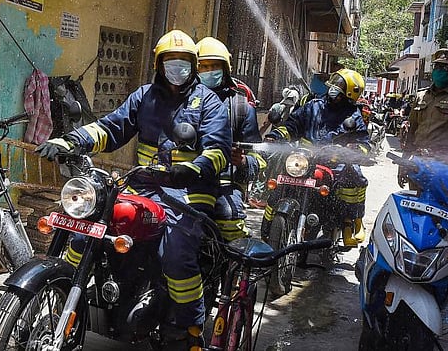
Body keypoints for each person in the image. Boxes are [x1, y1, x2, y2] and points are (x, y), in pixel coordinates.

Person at [35, 30, 231, 351]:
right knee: (87, 231)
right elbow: (111, 127)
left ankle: (190, 327)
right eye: (171, 61)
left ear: (193, 65)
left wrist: (191, 168)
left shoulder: (207, 102)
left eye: (184, 62)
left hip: (189, 190)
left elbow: (218, 150)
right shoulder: (144, 97)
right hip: (142, 186)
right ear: (159, 63)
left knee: (177, 253)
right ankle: (67, 293)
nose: (177, 67)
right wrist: (71, 140)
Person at [263, 68, 371, 247]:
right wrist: (277, 136)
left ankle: (350, 220)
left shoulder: (353, 115)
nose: (333, 88)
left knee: (355, 177)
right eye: (334, 83)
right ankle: (269, 223)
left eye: (339, 86)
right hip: (304, 160)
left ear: (349, 93)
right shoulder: (313, 106)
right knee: (280, 180)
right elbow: (292, 125)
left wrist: (353, 150)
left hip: (334, 164)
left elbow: (363, 143)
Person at [195, 37, 265, 241]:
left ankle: (230, 269)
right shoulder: (182, 101)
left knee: (230, 220)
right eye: (203, 66)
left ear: (225, 69)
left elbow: (259, 160)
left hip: (225, 184)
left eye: (214, 66)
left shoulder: (241, 108)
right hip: (184, 181)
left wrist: (243, 162)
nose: (209, 71)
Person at [402, 49, 448, 162]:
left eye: (444, 67)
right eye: (437, 67)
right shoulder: (422, 95)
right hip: (419, 157)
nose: (438, 71)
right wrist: (405, 159)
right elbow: (413, 128)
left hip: (444, 160)